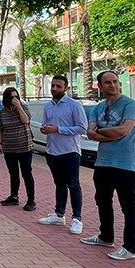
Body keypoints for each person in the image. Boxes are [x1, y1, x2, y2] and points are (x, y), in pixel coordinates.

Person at [83, 71, 135, 260]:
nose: (112, 85)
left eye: (115, 82)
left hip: (126, 165)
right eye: (107, 82)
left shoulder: (131, 105)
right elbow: (90, 133)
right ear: (99, 86)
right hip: (103, 163)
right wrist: (109, 133)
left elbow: (124, 131)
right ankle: (106, 236)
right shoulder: (98, 108)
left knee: (128, 206)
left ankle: (130, 248)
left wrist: (100, 131)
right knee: (102, 201)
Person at [38, 75, 88, 234]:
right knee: (59, 184)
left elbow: (82, 128)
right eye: (53, 86)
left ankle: (77, 219)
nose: (54, 89)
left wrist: (59, 129)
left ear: (66, 88)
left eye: (58, 86)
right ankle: (59, 214)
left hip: (70, 152)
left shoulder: (74, 105)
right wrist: (44, 129)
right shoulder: (48, 106)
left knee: (73, 184)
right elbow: (46, 124)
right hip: (52, 151)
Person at [0, 87, 35, 211]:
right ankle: (14, 197)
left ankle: (31, 200)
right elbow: (1, 129)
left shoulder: (23, 108)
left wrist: (19, 107)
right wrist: (0, 143)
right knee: (13, 173)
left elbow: (26, 121)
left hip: (24, 147)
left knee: (26, 173)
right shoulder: (2, 113)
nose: (14, 99)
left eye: (16, 97)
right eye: (12, 97)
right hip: (9, 148)